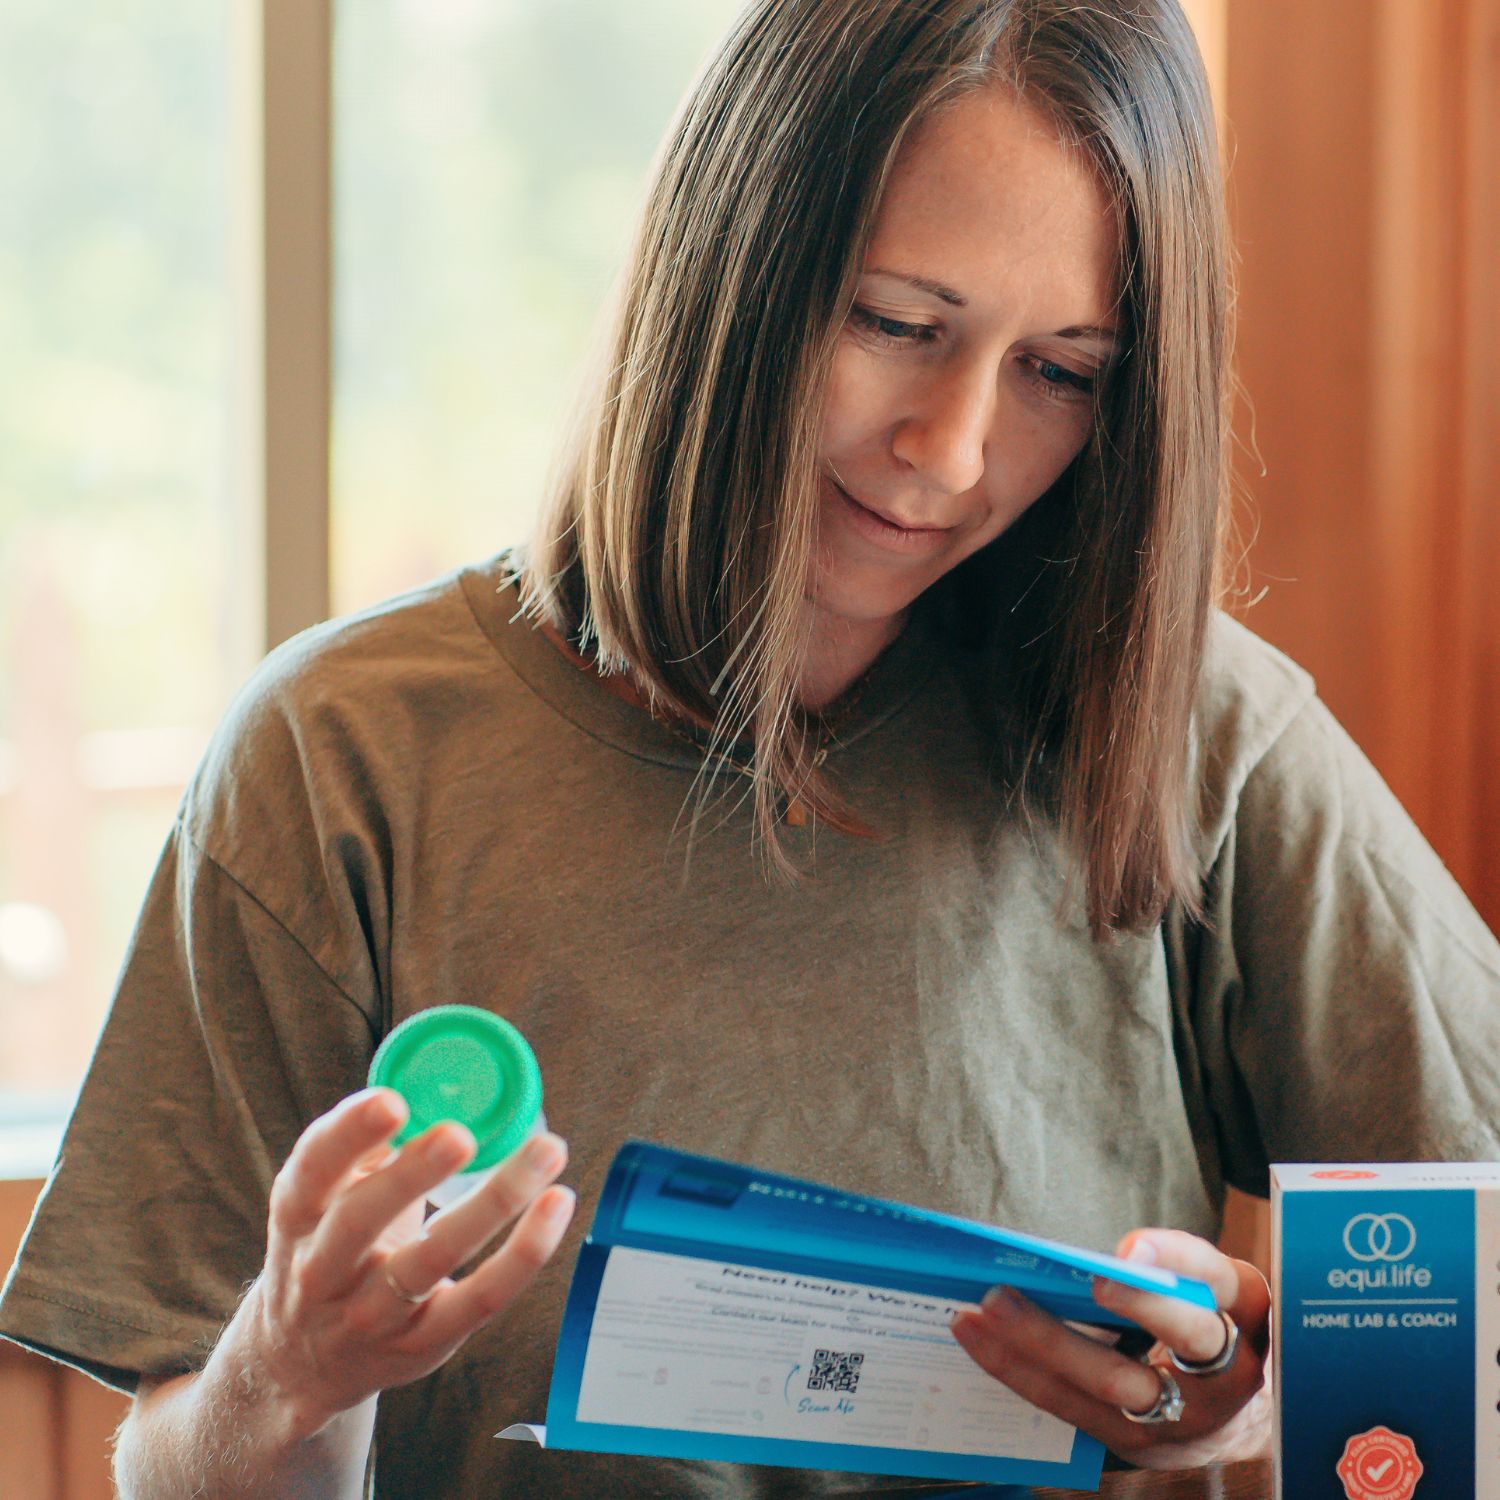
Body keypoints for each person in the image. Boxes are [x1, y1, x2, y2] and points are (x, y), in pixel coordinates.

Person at [3, 0, 1498, 1494]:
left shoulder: (1190, 732)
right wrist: (286, 1372)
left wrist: (1250, 1400)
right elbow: (175, 1459)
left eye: (1065, 372)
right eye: (898, 324)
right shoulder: (341, 758)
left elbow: (1456, 1319)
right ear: (722, 266)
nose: (957, 450)